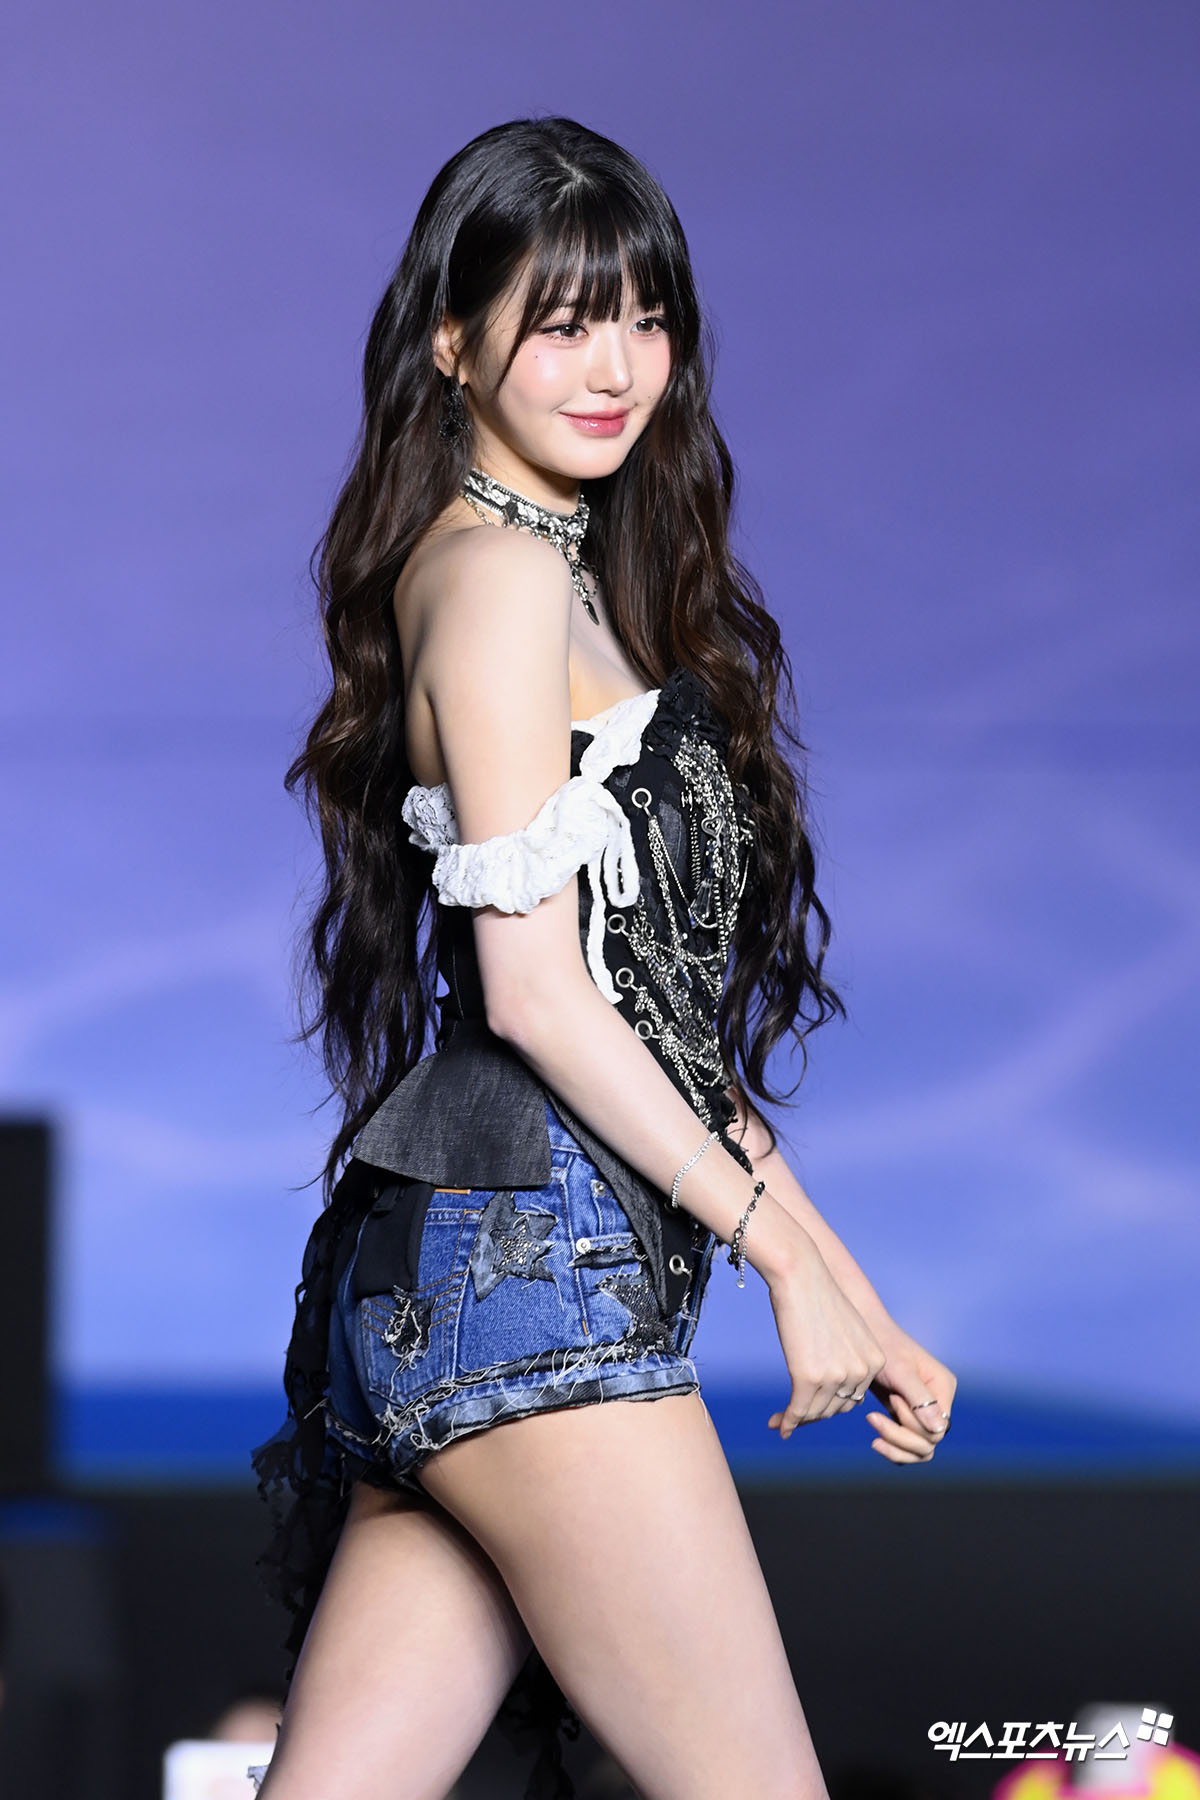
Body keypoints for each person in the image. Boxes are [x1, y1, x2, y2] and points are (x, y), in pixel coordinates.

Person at [249, 116, 956, 1800]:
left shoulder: (558, 576)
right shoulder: (497, 575)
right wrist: (778, 1263)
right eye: (564, 322)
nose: (617, 366)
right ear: (453, 341)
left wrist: (853, 1293)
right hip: (536, 1285)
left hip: (465, 1280)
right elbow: (537, 992)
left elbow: (661, 1019)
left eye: (645, 318)